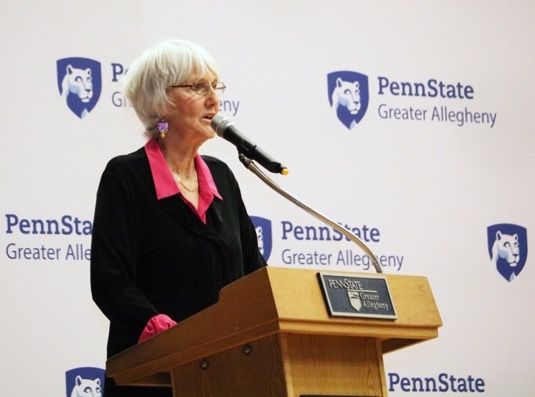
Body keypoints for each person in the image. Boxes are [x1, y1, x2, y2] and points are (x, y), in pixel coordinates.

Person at [90, 39, 267, 397]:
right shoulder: (127, 177)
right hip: (154, 377)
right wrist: (174, 340)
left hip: (229, 373)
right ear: (161, 99)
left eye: (215, 86)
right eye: (197, 86)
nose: (215, 100)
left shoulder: (223, 178)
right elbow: (110, 281)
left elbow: (254, 274)